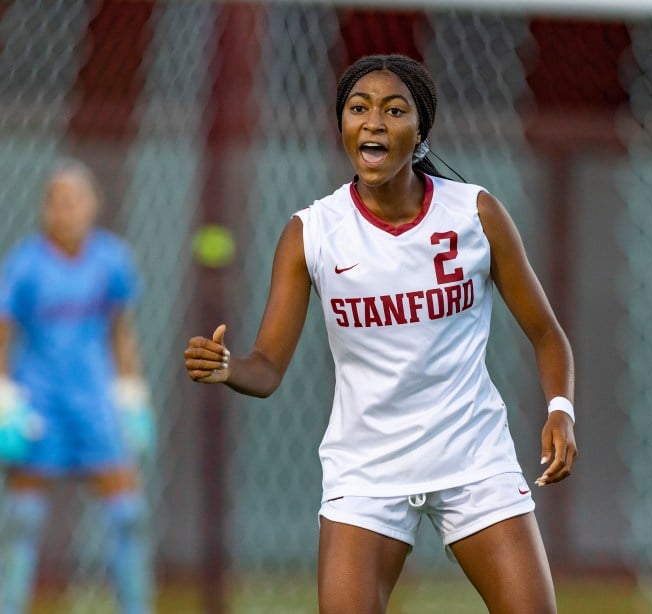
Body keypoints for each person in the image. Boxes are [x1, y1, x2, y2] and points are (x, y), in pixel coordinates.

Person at [184, 54, 577, 614]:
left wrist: (560, 409)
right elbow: (267, 367)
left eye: (394, 110)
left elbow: (546, 333)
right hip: (367, 468)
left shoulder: (475, 214)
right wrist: (229, 367)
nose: (373, 122)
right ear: (342, 125)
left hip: (471, 454)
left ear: (420, 132)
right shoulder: (312, 233)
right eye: (358, 108)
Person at [0, 159, 154, 614]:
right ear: (44, 208)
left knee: (128, 515)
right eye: (55, 201)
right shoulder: (24, 265)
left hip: (96, 407)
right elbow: (4, 332)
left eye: (74, 200)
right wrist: (5, 398)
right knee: (23, 520)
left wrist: (132, 396)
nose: (64, 210)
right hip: (40, 407)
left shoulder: (112, 261)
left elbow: (121, 331)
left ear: (93, 205)